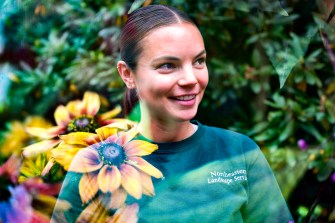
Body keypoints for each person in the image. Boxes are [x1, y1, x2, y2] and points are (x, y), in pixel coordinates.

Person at [52, 4, 294, 223]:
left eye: (199, 61)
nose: (191, 79)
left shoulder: (240, 153)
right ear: (127, 74)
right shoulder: (92, 166)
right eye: (168, 65)